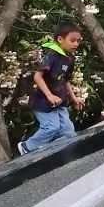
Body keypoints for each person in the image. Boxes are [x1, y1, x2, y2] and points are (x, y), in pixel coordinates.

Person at [20, 21, 85, 154]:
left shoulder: (69, 59)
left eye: (78, 41)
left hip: (60, 101)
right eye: (72, 40)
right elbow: (37, 77)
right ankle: (27, 147)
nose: (76, 44)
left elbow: (65, 80)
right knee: (51, 127)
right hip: (42, 101)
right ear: (60, 39)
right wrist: (49, 95)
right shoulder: (52, 56)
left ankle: (59, 150)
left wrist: (74, 98)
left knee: (68, 130)